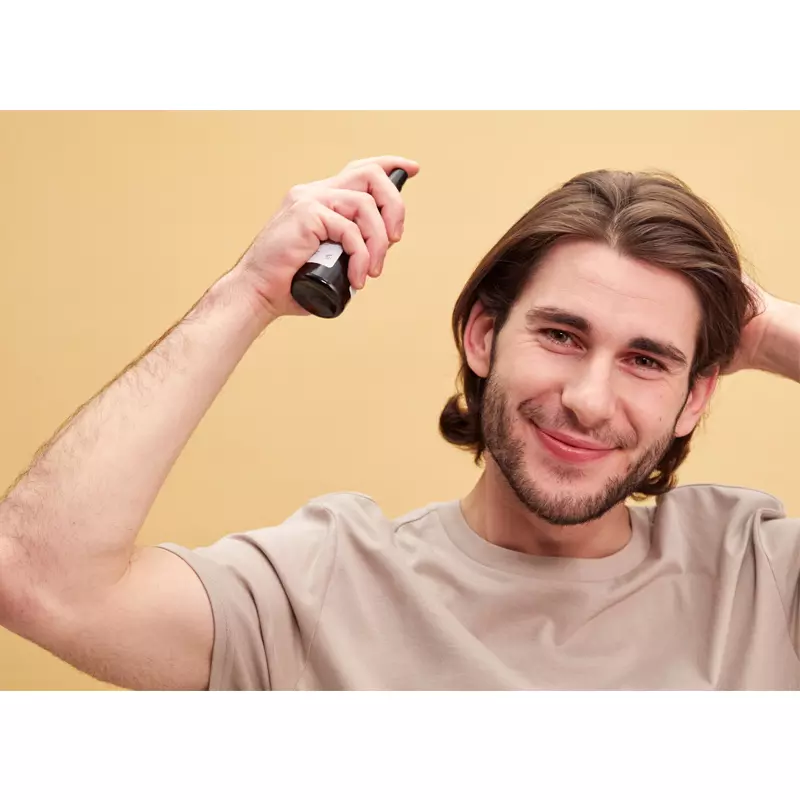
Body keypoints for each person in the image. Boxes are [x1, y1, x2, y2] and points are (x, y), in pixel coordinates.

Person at [0, 154, 797, 691]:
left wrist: (764, 332)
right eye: (561, 335)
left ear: (696, 396)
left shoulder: (759, 577)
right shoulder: (323, 587)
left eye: (647, 359)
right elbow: (37, 579)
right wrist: (246, 293)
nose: (589, 399)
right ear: (482, 335)